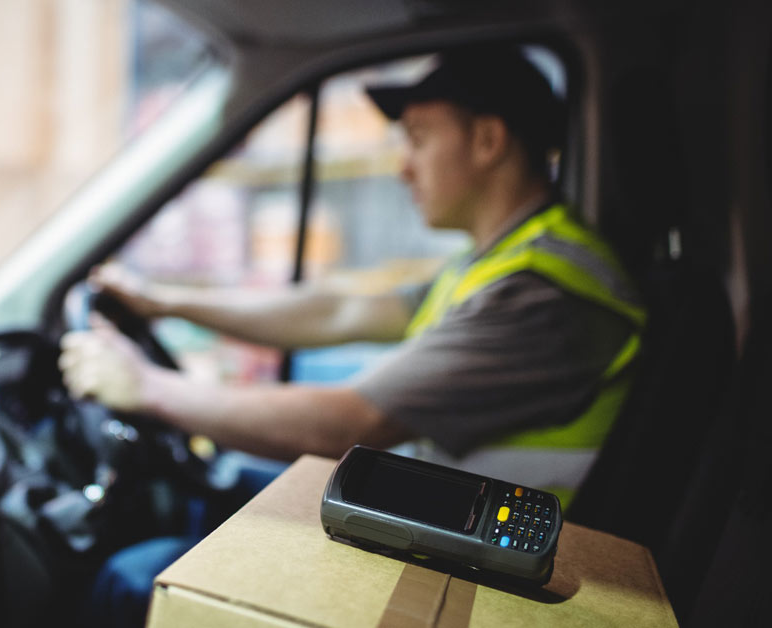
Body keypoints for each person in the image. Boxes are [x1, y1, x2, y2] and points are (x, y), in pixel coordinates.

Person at [61, 44, 645, 626]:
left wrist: (149, 389)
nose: (402, 166)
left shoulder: (538, 296)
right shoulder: (498, 261)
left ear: (488, 141)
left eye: (417, 138)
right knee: (220, 494)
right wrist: (167, 302)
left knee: (131, 579)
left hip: (486, 584)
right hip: (451, 538)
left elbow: (350, 422)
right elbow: (337, 310)